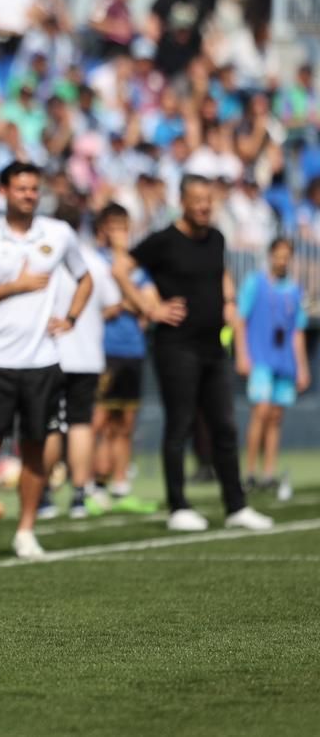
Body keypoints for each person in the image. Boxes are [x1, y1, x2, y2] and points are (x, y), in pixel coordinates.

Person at [0, 162, 93, 562]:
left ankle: (26, 530)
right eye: (21, 189)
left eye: (34, 189)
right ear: (3, 192)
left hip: (42, 360)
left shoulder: (58, 234)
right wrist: (16, 286)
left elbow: (85, 279)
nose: (29, 195)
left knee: (34, 449)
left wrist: (72, 318)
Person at [125, 175, 273, 532]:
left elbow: (219, 272)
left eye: (209, 200)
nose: (205, 206)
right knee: (180, 424)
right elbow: (120, 268)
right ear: (183, 201)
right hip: (176, 347)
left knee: (224, 426)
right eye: (198, 200)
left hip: (212, 347)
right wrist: (150, 308)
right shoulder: (163, 241)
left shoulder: (216, 237)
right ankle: (178, 506)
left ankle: (236, 506)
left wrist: (230, 300)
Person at [47, 205, 121, 520]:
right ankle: (79, 494)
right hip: (87, 356)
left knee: (50, 425)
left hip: (49, 355)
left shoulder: (45, 261)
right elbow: (114, 305)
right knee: (80, 424)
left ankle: (44, 496)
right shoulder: (94, 262)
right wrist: (89, 321)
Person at [93, 204, 158, 514]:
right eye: (114, 225)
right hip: (103, 350)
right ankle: (94, 484)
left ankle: (121, 485)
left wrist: (127, 302)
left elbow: (150, 304)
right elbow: (101, 308)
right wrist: (130, 300)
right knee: (100, 420)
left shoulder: (139, 266)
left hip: (133, 349)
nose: (120, 232)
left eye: (124, 225)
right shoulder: (96, 262)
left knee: (125, 422)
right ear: (103, 228)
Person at [236, 237, 309, 497]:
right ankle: (250, 472)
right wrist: (242, 355)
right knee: (261, 412)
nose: (281, 260)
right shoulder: (254, 283)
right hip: (261, 358)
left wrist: (302, 367)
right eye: (278, 255)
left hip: (284, 361)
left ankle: (269, 473)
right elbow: (240, 320)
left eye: (286, 256)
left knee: (276, 417)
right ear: (270, 256)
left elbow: (297, 332)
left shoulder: (294, 290)